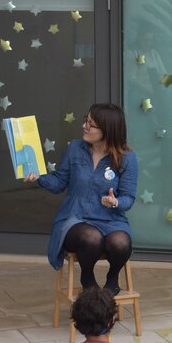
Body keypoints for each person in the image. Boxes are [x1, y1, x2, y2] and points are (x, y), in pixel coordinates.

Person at [25, 103, 138, 294]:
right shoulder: (75, 148)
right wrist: (39, 178)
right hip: (76, 219)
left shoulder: (127, 157)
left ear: (108, 129)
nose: (84, 126)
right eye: (85, 120)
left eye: (91, 124)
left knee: (120, 242)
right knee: (91, 238)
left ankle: (112, 278)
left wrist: (115, 202)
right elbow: (60, 182)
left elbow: (128, 198)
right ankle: (87, 277)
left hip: (112, 220)